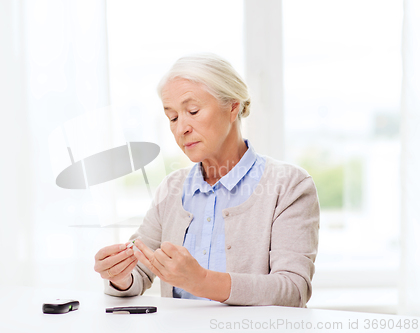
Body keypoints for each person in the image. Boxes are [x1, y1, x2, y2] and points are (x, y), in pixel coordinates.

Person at [94, 53, 320, 307]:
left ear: (233, 107)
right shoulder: (172, 188)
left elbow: (293, 290)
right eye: (173, 118)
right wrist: (120, 276)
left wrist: (201, 280)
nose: (182, 129)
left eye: (193, 111)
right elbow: (140, 272)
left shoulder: (289, 185)